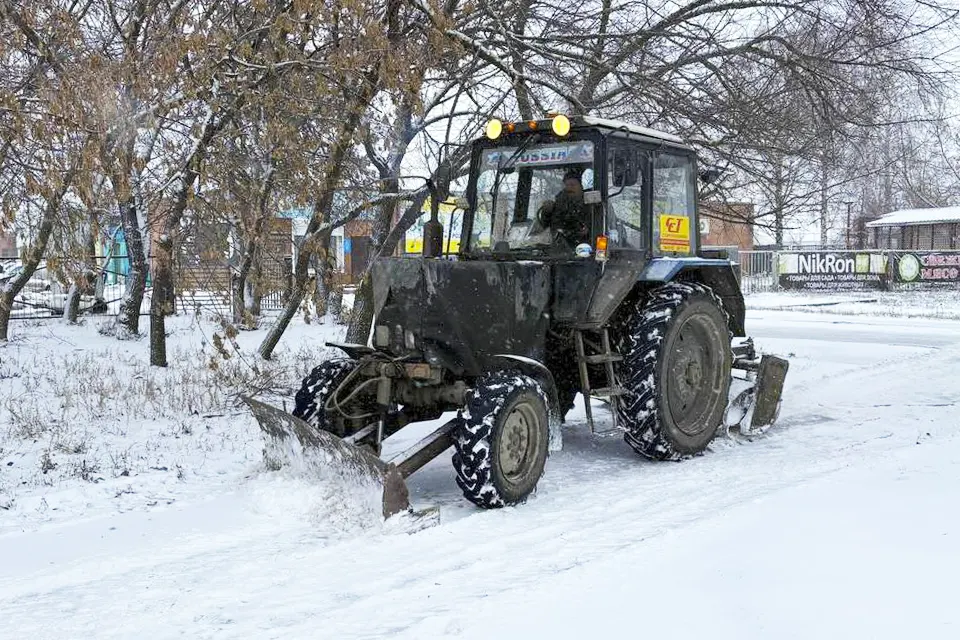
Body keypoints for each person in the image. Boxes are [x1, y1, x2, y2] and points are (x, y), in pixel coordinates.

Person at [536, 169, 589, 247]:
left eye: (572, 185)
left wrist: (588, 230)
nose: (569, 188)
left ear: (581, 186)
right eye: (566, 185)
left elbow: (600, 226)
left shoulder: (592, 203)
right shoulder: (558, 204)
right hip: (559, 248)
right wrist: (546, 212)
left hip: (587, 246)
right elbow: (545, 228)